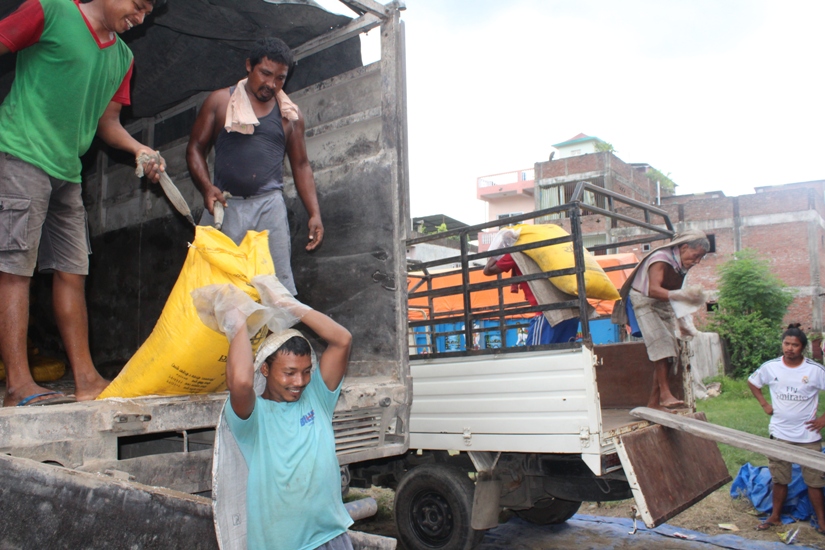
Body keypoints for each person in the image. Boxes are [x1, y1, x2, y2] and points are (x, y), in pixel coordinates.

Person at [0, 0, 165, 407]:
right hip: (20, 153)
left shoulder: (123, 58)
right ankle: (19, 384)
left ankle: (86, 379)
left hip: (67, 172)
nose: (140, 19)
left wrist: (139, 148)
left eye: (147, 13)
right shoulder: (51, 10)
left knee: (73, 270)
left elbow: (107, 124)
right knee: (15, 268)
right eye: (138, 6)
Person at [186, 36, 323, 296]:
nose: (272, 84)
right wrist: (206, 188)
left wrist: (314, 213)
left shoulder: (290, 115)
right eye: (266, 73)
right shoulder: (220, 102)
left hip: (268, 208)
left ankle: (276, 338)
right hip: (223, 207)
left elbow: (302, 165)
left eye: (280, 78)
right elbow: (194, 149)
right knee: (206, 286)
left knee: (276, 292)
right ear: (249, 66)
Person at [224, 295, 354, 550]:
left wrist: (285, 303)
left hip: (333, 538)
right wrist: (238, 318)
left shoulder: (317, 398)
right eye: (289, 372)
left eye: (306, 371)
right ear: (264, 370)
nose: (300, 382)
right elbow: (240, 382)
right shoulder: (254, 417)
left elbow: (342, 340)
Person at [612, 230, 708, 409]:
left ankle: (654, 402)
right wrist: (684, 296)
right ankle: (664, 395)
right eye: (696, 256)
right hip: (644, 301)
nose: (697, 261)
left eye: (701, 258)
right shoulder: (661, 258)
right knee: (661, 346)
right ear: (685, 247)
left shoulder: (680, 266)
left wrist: (682, 322)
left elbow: (671, 299)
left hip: (661, 303)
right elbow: (653, 290)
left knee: (671, 349)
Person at [748, 325, 825, 534]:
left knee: (815, 481)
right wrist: (765, 404)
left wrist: (823, 420)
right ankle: (774, 517)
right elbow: (753, 382)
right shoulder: (771, 367)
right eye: (786, 344)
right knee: (779, 478)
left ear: (803, 348)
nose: (790, 348)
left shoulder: (814, 370)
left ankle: (822, 522)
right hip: (780, 434)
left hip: (808, 436)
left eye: (795, 345)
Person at [483, 253, 579, 345]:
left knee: (535, 356)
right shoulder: (549, 247)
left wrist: (500, 246)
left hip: (548, 314)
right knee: (563, 356)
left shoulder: (517, 250)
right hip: (571, 310)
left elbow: (488, 270)